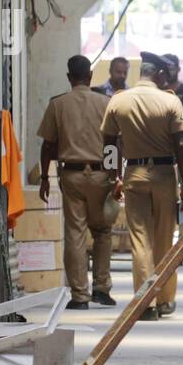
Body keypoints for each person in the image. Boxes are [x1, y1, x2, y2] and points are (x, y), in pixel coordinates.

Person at [101, 51, 183, 320]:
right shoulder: (170, 101)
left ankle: (145, 304)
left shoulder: (119, 101)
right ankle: (164, 300)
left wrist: (112, 176)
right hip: (164, 175)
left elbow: (108, 143)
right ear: (160, 75)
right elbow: (181, 146)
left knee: (140, 240)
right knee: (164, 238)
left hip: (134, 174)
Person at [35, 55, 118, 309]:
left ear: (70, 77)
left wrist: (43, 178)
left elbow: (48, 144)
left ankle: (80, 296)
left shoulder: (57, 104)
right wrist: (115, 176)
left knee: (75, 232)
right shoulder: (106, 103)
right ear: (90, 76)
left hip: (70, 175)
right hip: (102, 173)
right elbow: (113, 143)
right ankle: (102, 289)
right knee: (103, 231)